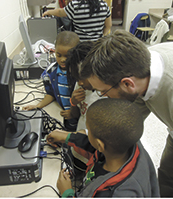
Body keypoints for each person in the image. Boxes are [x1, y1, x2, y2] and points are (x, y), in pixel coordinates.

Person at [80, 29, 173, 197]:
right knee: (166, 177)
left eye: (103, 92)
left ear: (127, 84)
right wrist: (91, 133)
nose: (104, 97)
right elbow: (127, 117)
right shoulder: (140, 66)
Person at [47, 98, 160, 197]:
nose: (86, 132)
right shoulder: (125, 145)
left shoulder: (115, 193)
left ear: (100, 144)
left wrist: (67, 193)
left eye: (88, 131)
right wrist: (67, 137)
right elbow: (94, 148)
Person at [23, 31, 80, 131]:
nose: (62, 60)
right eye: (59, 55)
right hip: (64, 115)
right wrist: (37, 106)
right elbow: (51, 94)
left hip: (80, 117)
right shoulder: (50, 72)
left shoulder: (81, 73)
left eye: (67, 56)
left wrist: (74, 112)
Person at [60, 41, 103, 173]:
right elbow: (76, 115)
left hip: (93, 152)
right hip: (78, 147)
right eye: (76, 77)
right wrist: (73, 102)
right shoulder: (81, 85)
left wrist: (66, 137)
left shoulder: (105, 95)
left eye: (83, 77)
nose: (79, 82)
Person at [42, 0, 112, 41]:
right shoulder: (104, 5)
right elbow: (108, 25)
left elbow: (60, 12)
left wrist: (48, 12)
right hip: (97, 47)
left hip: (80, 47)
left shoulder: (75, 6)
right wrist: (102, 36)